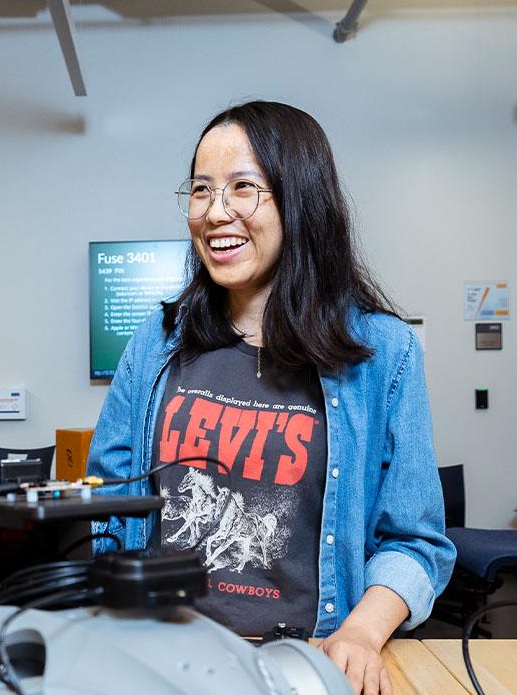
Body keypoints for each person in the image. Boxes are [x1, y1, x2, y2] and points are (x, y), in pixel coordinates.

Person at [86, 101, 455, 695]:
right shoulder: (155, 345)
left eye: (243, 188)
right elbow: (103, 509)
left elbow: (415, 540)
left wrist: (359, 635)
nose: (215, 212)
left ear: (300, 201)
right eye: (201, 190)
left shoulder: (382, 352)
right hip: (155, 656)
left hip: (305, 662)